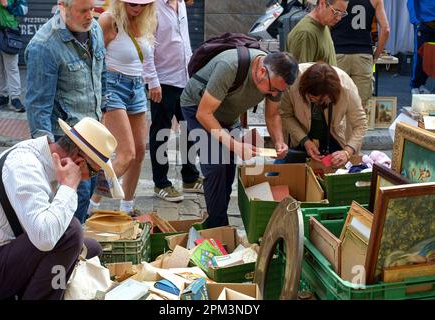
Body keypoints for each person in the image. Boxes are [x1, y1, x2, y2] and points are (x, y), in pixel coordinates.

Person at [0, 117, 122, 300]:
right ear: (79, 161)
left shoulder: (47, 158)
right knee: (71, 233)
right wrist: (69, 187)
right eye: (94, 172)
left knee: (91, 249)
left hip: (4, 254)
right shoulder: (25, 166)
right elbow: (45, 238)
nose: (91, 178)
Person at [181, 50, 299, 228]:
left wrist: (279, 141)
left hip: (228, 115)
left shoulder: (277, 81)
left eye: (279, 91)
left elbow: (273, 115)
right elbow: (204, 114)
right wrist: (235, 145)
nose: (274, 94)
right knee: (216, 165)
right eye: (272, 89)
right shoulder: (230, 67)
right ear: (261, 71)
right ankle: (218, 227)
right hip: (198, 107)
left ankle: (217, 216)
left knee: (228, 170)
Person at [25, 0, 107, 224]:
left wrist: (104, 113)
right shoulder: (44, 46)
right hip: (65, 145)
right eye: (83, 11)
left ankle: (75, 251)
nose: (90, 16)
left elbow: (102, 75)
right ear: (63, 8)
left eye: (92, 9)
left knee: (85, 197)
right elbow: (37, 106)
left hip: (91, 140)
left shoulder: (95, 29)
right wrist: (50, 154)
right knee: (71, 208)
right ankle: (66, 255)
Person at [87, 0, 158, 215]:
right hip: (113, 84)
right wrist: (96, 95)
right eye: (132, 3)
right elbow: (93, 58)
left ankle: (126, 208)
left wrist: (153, 81)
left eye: (142, 4)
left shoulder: (148, 20)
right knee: (125, 154)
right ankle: (90, 205)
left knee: (138, 153)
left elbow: (147, 58)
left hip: (137, 87)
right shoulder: (109, 19)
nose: (136, 8)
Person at [146, 0, 202, 203]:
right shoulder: (153, 7)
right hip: (163, 81)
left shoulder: (181, 4)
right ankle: (160, 183)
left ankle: (190, 177)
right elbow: (147, 45)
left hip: (185, 78)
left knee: (189, 127)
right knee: (161, 131)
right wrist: (152, 81)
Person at [280, 62, 368, 167]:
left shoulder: (346, 87)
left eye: (321, 100)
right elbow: (285, 115)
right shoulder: (293, 80)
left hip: (333, 137)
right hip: (300, 137)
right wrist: (305, 141)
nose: (315, 102)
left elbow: (361, 124)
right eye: (311, 98)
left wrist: (347, 152)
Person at [331, 0, 390, 108]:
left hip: (338, 52)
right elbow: (385, 30)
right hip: (363, 55)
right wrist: (376, 56)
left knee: (336, 105)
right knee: (360, 108)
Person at [0, 0, 27, 112]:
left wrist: (7, 4)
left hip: (9, 34)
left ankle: (15, 98)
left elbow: (24, 9)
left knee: (12, 68)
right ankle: (2, 96)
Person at [286, 0, 349, 66]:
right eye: (336, 12)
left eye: (342, 14)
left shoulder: (324, 25)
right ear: (322, 3)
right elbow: (301, 73)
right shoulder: (305, 33)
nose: (339, 18)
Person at [407, 0, 435, 94]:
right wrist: (416, 21)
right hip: (423, 25)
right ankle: (415, 85)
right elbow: (411, 3)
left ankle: (422, 84)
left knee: (431, 56)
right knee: (420, 55)